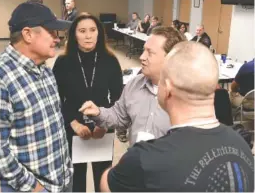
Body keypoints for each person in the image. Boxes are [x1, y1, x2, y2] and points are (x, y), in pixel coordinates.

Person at [100, 42, 254, 192]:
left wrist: (126, 164)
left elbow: (107, 185)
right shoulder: (242, 144)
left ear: (167, 89)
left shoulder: (144, 158)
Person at [0, 2, 72, 192]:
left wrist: (65, 171)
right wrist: (35, 187)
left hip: (60, 181)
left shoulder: (44, 70)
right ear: (27, 34)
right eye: (51, 32)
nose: (57, 38)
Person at [52, 13, 123, 192]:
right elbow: (55, 99)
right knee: (76, 181)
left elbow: (118, 98)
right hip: (72, 125)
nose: (88, 35)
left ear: (99, 33)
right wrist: (73, 122)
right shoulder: (62, 62)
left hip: (103, 125)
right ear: (74, 34)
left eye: (92, 30)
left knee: (103, 179)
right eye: (82, 31)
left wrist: (105, 124)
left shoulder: (110, 60)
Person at [79, 27, 185, 146]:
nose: (142, 57)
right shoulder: (134, 84)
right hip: (136, 162)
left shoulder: (188, 96)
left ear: (171, 58)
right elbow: (119, 117)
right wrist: (98, 113)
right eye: (144, 50)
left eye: (150, 52)